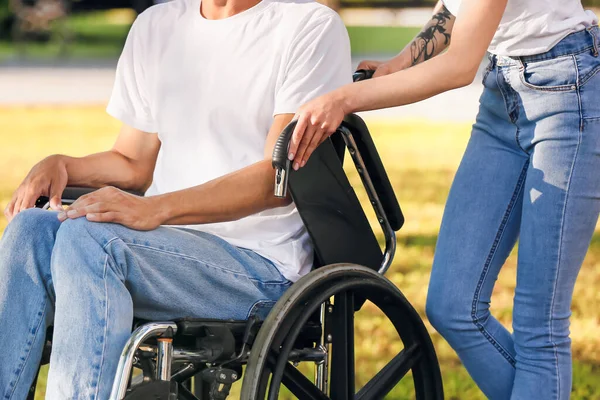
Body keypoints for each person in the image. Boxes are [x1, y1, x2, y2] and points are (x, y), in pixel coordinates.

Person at [0, 0, 351, 397]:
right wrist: (62, 164)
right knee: (31, 230)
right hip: (161, 250)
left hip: (259, 265)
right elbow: (133, 162)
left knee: (93, 240)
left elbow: (277, 182)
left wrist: (154, 209)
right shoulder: (157, 25)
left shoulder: (308, 27)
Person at [288, 0, 600, 399]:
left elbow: (458, 66)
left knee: (539, 327)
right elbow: (454, 10)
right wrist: (400, 63)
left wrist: (346, 99)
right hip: (502, 92)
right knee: (453, 305)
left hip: (568, 91)